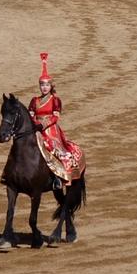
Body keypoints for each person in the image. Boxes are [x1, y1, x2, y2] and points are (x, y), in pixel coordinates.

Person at [28, 53, 85, 190]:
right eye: (42, 85)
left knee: (56, 151)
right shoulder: (34, 100)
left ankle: (59, 178)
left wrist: (43, 124)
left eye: (47, 85)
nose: (44, 88)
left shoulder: (55, 100)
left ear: (51, 86)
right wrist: (34, 124)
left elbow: (55, 117)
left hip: (51, 130)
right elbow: (30, 114)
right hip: (36, 129)